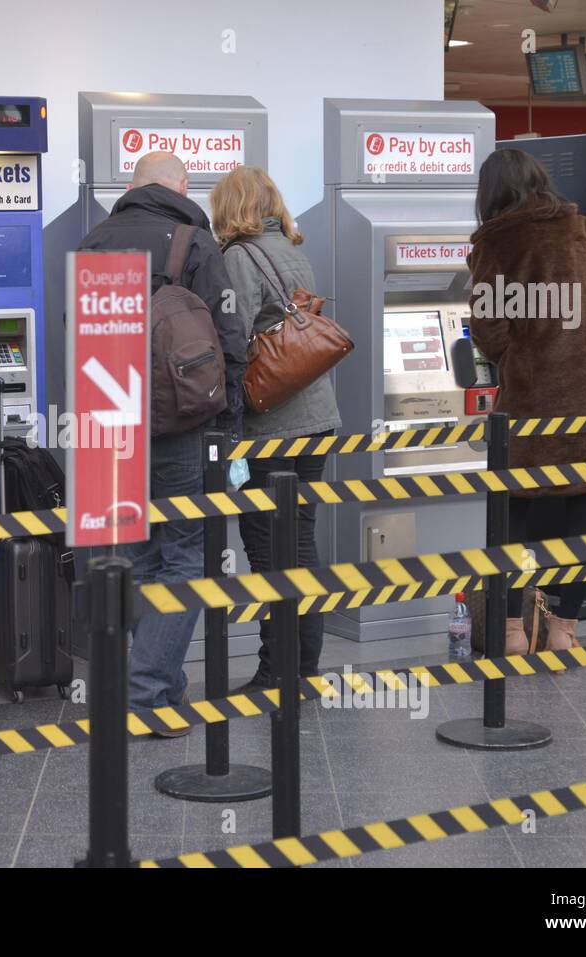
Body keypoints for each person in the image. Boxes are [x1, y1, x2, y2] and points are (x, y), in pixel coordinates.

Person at [77, 152, 247, 724]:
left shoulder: (94, 241)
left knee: (140, 554)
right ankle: (147, 690)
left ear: (132, 186)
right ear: (181, 185)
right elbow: (228, 334)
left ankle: (164, 686)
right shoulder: (193, 242)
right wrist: (231, 420)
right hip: (183, 426)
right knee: (186, 554)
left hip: (110, 426)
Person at [467, 149, 586, 652]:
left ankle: (510, 631)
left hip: (531, 404)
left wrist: (519, 350)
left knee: (512, 521)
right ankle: (564, 630)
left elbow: (487, 326)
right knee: (582, 515)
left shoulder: (495, 242)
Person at [212, 166, 341, 691]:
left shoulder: (239, 258)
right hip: (316, 418)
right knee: (299, 539)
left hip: (274, 426)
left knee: (269, 546)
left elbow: (235, 339)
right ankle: (302, 664)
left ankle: (280, 668)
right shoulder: (292, 248)